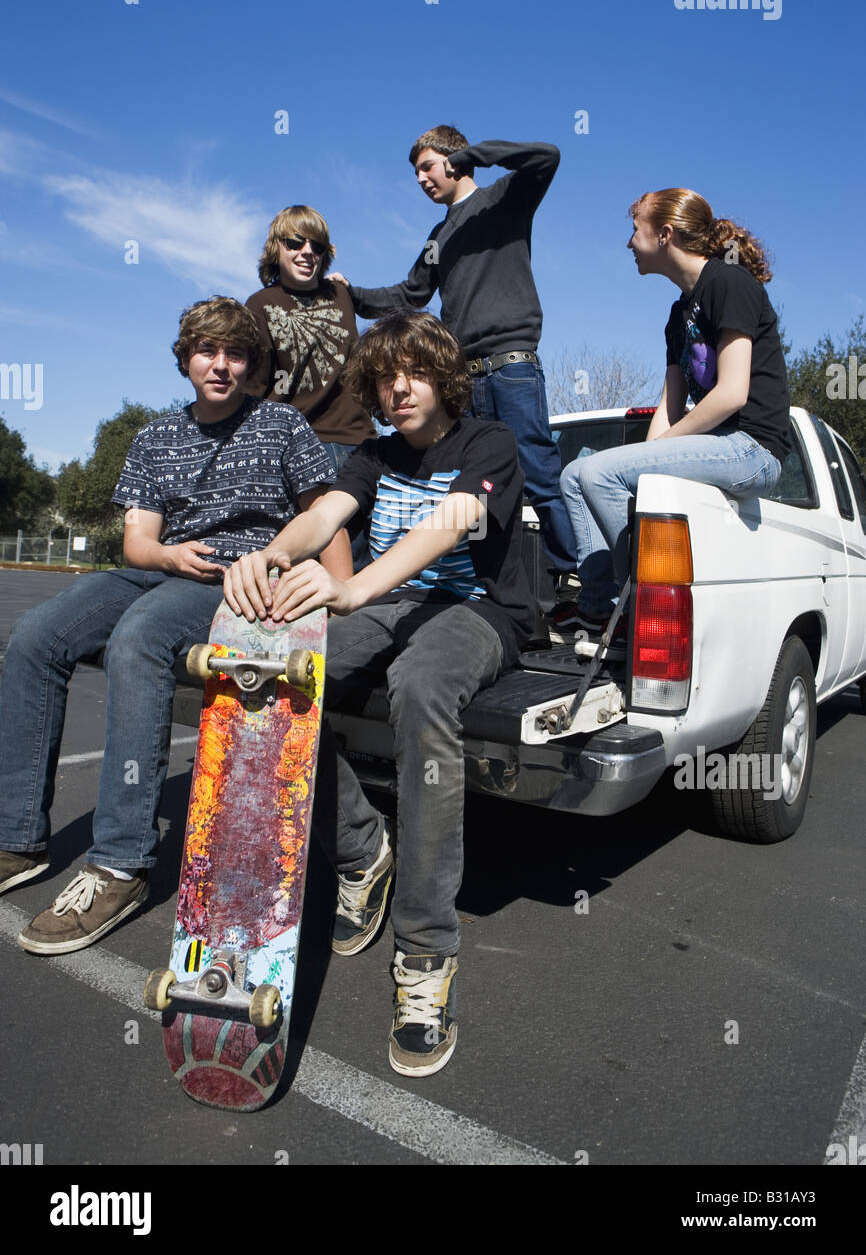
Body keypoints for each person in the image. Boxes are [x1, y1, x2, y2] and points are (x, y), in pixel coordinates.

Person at [223, 310, 536, 1077]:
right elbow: (325, 514)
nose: (398, 387)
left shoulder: (486, 442)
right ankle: (364, 852)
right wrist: (264, 558)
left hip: (482, 611)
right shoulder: (372, 454)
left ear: (446, 377)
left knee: (419, 686)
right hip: (393, 602)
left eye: (415, 372)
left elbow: (455, 520)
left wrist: (351, 588)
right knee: (274, 683)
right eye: (384, 376)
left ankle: (426, 952)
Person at [0, 296, 346, 954]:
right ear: (185, 357)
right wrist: (169, 556)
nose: (221, 365)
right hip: (166, 566)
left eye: (236, 353)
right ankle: (15, 839)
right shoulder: (156, 437)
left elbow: (325, 517)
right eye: (208, 351)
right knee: (34, 635)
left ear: (250, 363)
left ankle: (120, 864)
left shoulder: (280, 426)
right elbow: (139, 543)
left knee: (138, 639)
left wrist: (338, 592)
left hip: (241, 577)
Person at [329, 126, 578, 597]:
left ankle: (575, 581)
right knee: (482, 492)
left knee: (540, 477)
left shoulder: (505, 198)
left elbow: (546, 156)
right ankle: (501, 593)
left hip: (512, 365)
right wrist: (350, 295)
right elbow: (411, 295)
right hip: (463, 377)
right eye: (415, 173)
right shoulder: (438, 236)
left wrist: (476, 156)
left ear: (452, 157)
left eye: (427, 166)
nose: (422, 179)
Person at [556, 189, 790, 638]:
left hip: (752, 448)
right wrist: (644, 461)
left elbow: (732, 394)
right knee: (576, 474)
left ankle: (637, 606)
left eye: (634, 229)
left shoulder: (729, 283)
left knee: (599, 473)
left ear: (664, 235)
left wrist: (656, 452)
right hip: (716, 445)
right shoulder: (677, 313)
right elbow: (669, 403)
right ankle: (598, 607)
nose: (628, 243)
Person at [245, 204, 375, 478]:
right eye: (294, 242)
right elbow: (253, 387)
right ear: (275, 248)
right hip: (297, 445)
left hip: (358, 441)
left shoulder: (341, 294)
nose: (306, 252)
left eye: (316, 246)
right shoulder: (260, 305)